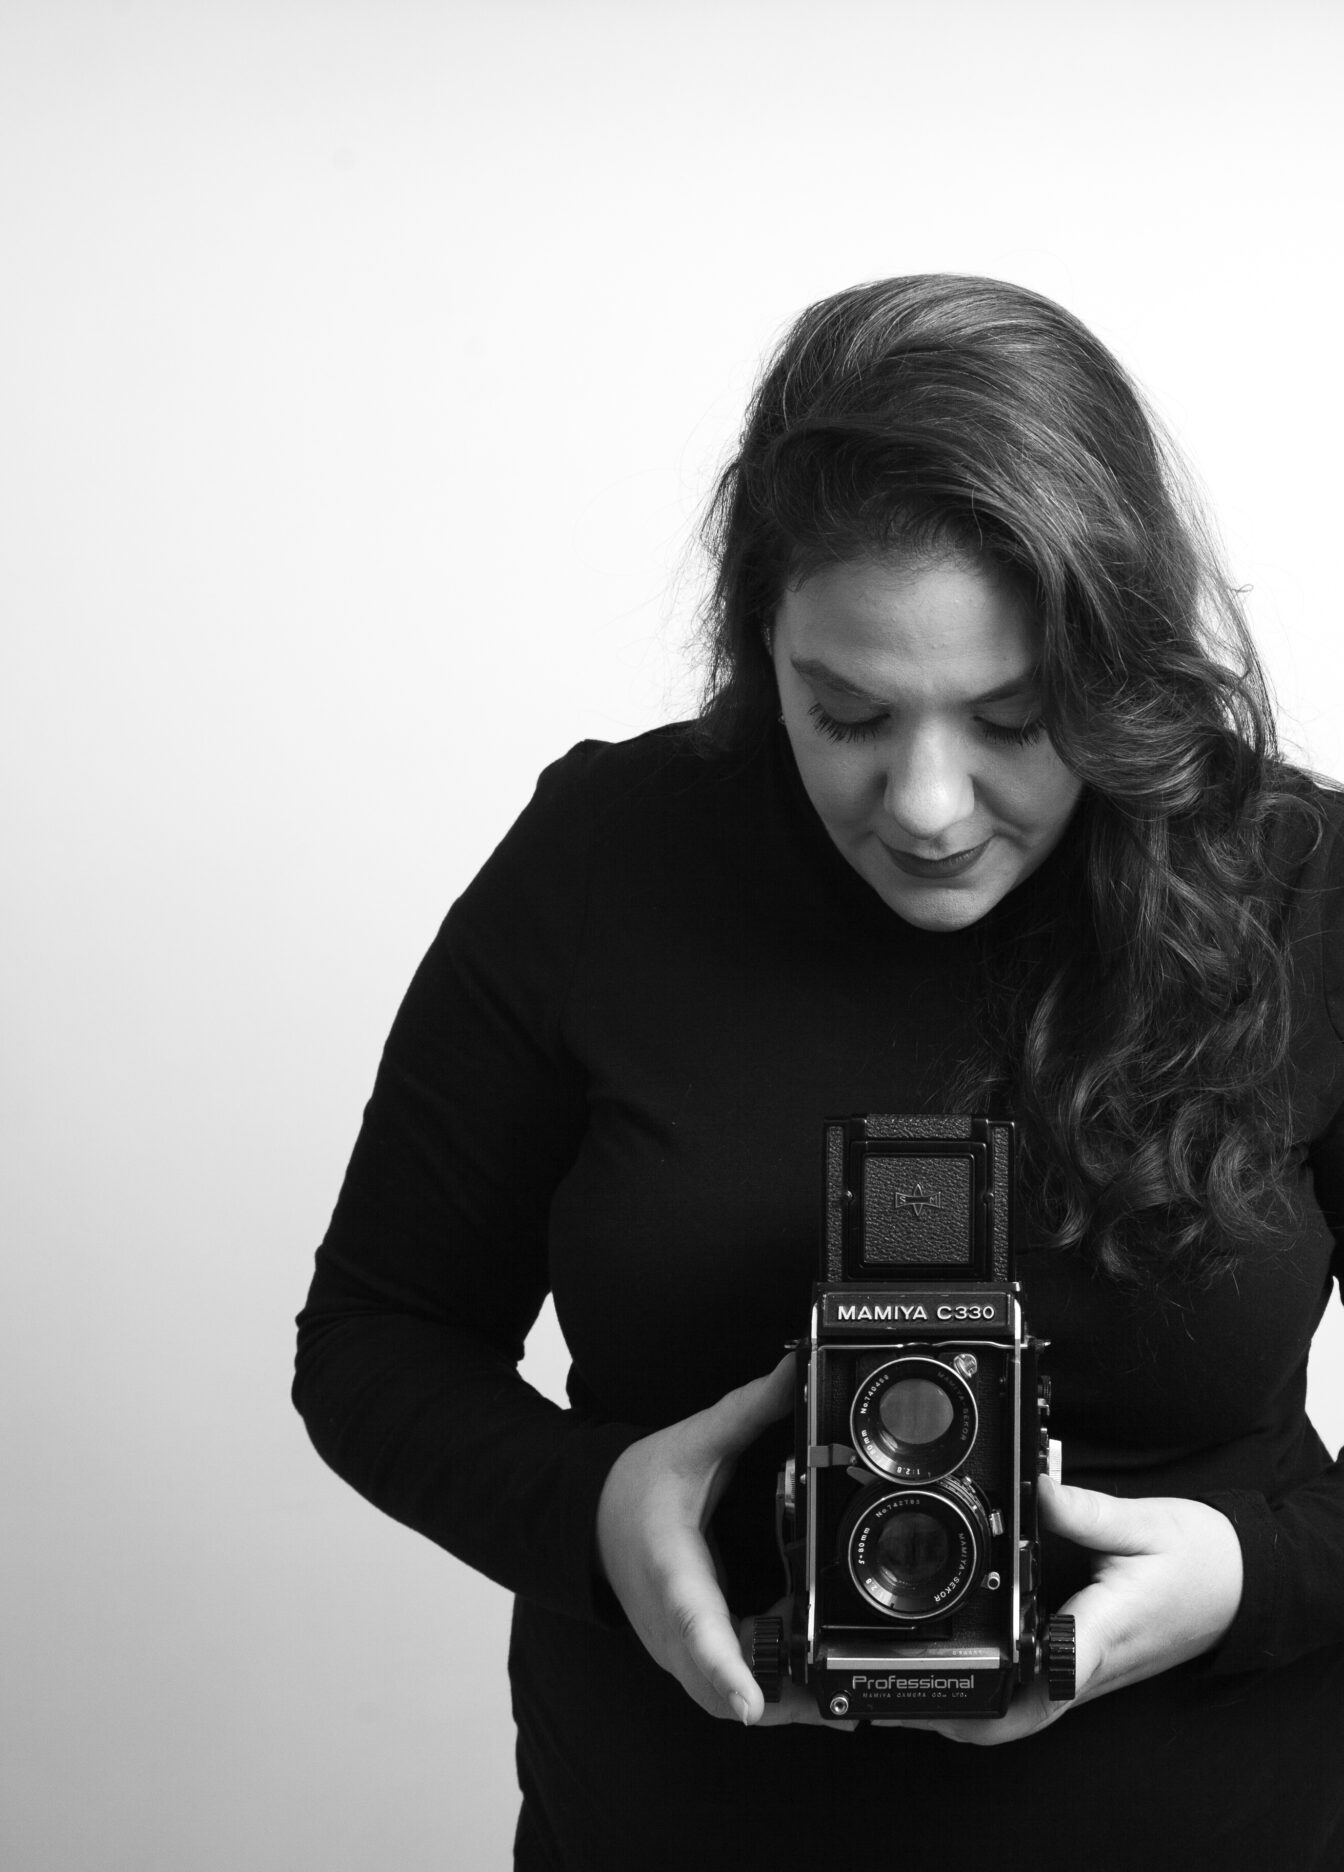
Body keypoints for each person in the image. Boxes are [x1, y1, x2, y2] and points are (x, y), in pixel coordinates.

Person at [293, 275, 1344, 1870]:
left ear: (1116, 662)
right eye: (845, 712)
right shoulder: (605, 863)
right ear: (757, 645)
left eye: (1014, 714)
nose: (929, 803)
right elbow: (374, 1344)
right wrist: (597, 1514)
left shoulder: (1301, 887)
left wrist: (1244, 1581)